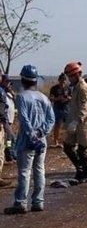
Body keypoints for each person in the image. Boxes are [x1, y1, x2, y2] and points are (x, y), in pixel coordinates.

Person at [4, 65, 55, 214]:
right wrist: (41, 132)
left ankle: (20, 202)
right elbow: (51, 119)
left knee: (25, 172)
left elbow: (25, 120)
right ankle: (38, 201)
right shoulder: (43, 98)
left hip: (27, 141)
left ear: (23, 79)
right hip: (42, 142)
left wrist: (33, 136)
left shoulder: (21, 97)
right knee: (39, 171)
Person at [63, 61, 87, 182]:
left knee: (83, 149)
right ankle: (80, 169)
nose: (69, 79)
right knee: (68, 147)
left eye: (70, 76)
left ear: (76, 75)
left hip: (83, 123)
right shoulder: (76, 87)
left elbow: (84, 107)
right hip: (74, 122)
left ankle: (85, 173)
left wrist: (76, 121)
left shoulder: (82, 88)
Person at [48, 72, 71, 147]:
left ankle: (68, 141)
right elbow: (50, 98)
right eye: (61, 80)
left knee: (68, 126)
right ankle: (55, 141)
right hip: (58, 108)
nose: (63, 81)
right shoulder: (54, 88)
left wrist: (68, 98)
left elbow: (72, 97)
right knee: (57, 125)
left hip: (66, 108)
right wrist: (58, 98)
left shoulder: (68, 88)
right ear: (59, 80)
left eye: (64, 80)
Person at [0, 75, 13, 187]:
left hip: (6, 120)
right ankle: (10, 153)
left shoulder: (4, 91)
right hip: (3, 121)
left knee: (7, 141)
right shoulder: (1, 91)